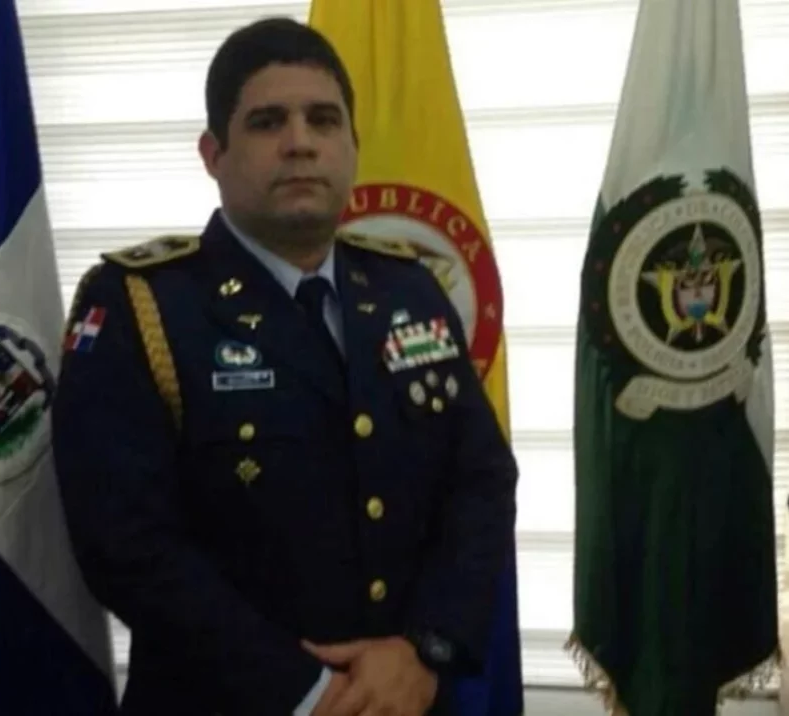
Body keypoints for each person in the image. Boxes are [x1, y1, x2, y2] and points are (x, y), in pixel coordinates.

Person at [51, 16, 518, 716]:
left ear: (353, 147)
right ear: (213, 153)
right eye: (268, 122)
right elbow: (125, 543)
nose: (300, 142)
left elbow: (480, 481)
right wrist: (311, 693)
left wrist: (425, 651)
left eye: (323, 120)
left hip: (407, 698)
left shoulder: (409, 288)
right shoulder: (139, 306)